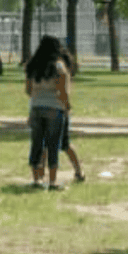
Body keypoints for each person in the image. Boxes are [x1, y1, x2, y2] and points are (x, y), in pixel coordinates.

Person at [24, 35, 70, 190]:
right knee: (53, 144)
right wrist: (67, 106)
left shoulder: (32, 66)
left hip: (36, 108)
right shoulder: (58, 67)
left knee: (36, 143)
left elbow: (28, 90)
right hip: (54, 108)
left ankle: (36, 180)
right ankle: (53, 181)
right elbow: (62, 91)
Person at [36, 48, 84, 183]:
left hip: (56, 111)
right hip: (56, 110)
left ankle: (43, 175)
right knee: (61, 145)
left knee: (56, 144)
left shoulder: (58, 72)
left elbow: (62, 93)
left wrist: (65, 106)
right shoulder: (58, 71)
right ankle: (78, 171)